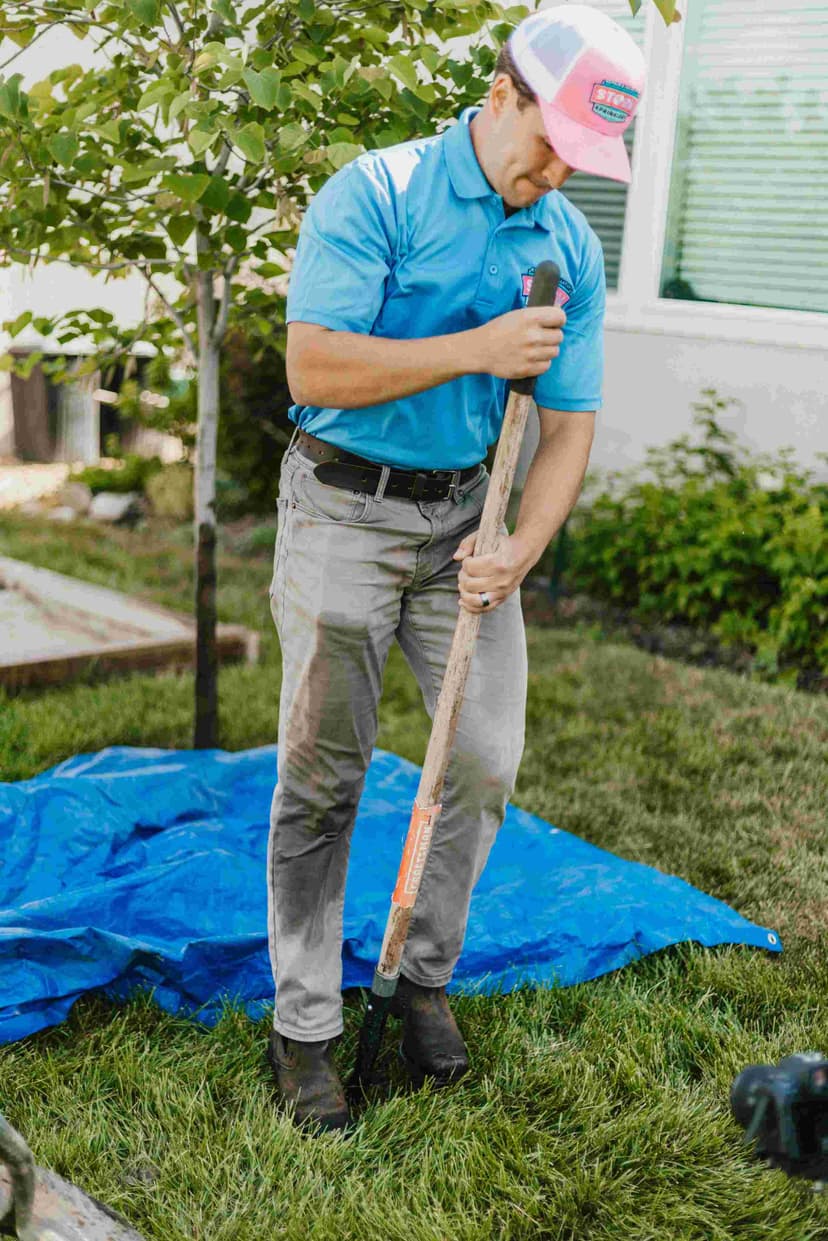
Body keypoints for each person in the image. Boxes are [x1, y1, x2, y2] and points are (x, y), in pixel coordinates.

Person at [266, 3, 646, 1133]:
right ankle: (304, 1026)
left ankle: (421, 976)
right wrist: (478, 348)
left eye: (583, 160)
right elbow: (313, 362)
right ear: (502, 94)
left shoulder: (565, 241)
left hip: (465, 530)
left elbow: (569, 425)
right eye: (552, 146)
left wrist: (521, 544)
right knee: (324, 776)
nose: (558, 174)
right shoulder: (375, 194)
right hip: (343, 505)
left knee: (481, 760)